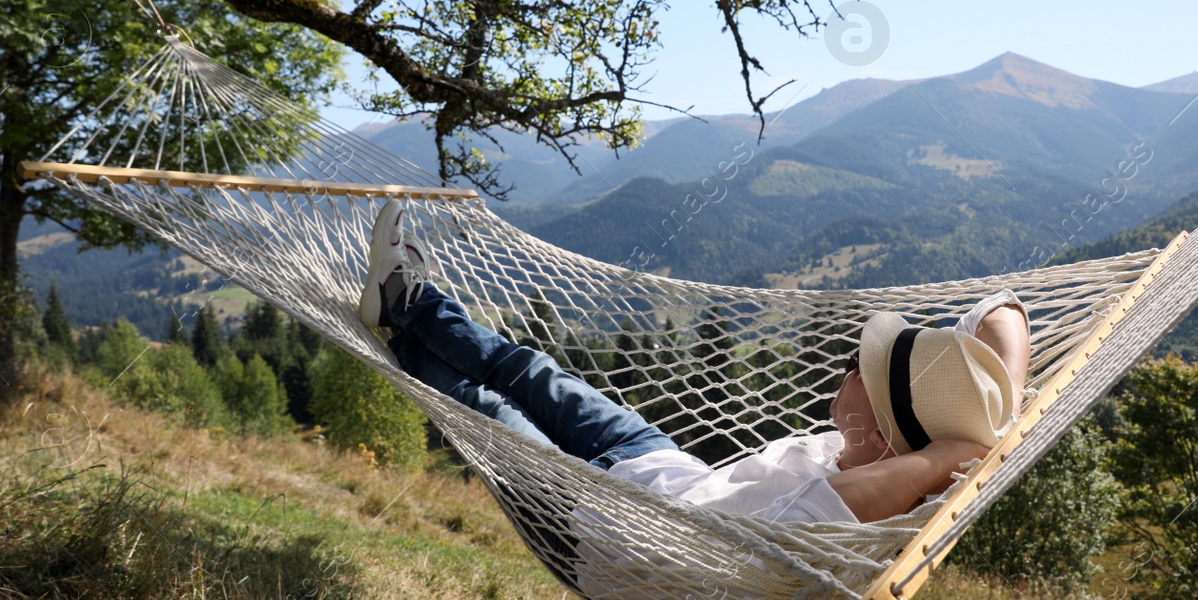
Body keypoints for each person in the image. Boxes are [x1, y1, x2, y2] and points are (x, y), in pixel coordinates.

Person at [359, 203, 1031, 524]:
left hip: (600, 525)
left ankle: (399, 326)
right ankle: (411, 309)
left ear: (887, 434)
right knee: (526, 368)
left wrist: (947, 457)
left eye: (863, 367)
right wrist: (992, 419)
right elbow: (1004, 311)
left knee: (488, 411)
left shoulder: (850, 516)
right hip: (662, 465)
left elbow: (855, 500)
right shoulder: (856, 449)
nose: (849, 365)